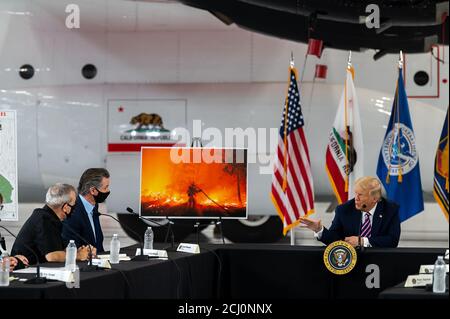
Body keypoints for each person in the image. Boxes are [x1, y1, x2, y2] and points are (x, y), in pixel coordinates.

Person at [300, 176, 401, 248]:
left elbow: (392, 240)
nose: (356, 198)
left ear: (374, 199)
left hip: (381, 261)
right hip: (350, 262)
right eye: (355, 193)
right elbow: (335, 240)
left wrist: (362, 241)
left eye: (360, 195)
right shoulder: (344, 210)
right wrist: (319, 230)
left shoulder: (390, 210)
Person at [11, 183, 91, 264]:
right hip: (23, 271)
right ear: (66, 207)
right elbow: (52, 256)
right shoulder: (44, 220)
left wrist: (79, 252)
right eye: (74, 204)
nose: (75, 207)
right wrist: (78, 256)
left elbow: (57, 250)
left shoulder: (48, 217)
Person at [62, 168, 110, 252]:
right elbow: (72, 247)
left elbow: (97, 244)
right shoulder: (72, 211)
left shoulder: (94, 206)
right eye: (105, 188)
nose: (108, 191)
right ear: (93, 190)